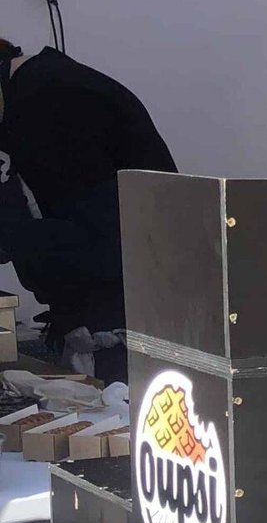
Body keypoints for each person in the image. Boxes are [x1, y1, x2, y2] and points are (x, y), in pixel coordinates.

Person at [0, 35, 176, 378]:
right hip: (102, 317)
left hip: (125, 328)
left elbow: (100, 242)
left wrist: (10, 236)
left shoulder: (54, 101)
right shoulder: (31, 96)